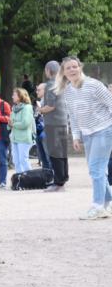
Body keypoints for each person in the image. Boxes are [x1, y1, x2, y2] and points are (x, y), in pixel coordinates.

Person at [53, 56, 112, 220]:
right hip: (87, 134)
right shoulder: (68, 92)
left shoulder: (94, 85)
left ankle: (98, 206)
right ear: (64, 72)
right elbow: (73, 115)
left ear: (80, 67)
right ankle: (108, 201)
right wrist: (76, 136)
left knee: (96, 169)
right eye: (68, 68)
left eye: (75, 66)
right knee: (96, 171)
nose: (72, 70)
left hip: (104, 130)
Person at [38, 62, 70, 191]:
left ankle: (58, 183)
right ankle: (63, 179)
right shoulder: (62, 83)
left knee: (55, 153)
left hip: (53, 123)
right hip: (62, 121)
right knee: (62, 153)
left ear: (48, 70)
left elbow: (50, 106)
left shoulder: (50, 84)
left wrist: (40, 110)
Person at [9, 88, 35, 175]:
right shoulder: (14, 108)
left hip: (24, 138)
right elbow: (10, 122)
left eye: (14, 95)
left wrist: (13, 124)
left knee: (23, 160)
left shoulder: (27, 108)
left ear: (20, 96)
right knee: (16, 161)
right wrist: (9, 124)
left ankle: (30, 178)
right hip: (14, 138)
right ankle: (20, 179)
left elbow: (25, 123)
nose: (12, 97)